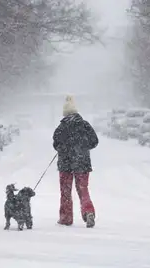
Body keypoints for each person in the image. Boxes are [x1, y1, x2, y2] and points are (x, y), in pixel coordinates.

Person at [53, 96, 99, 228]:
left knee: (66, 192)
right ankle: (88, 211)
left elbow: (56, 144)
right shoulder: (84, 125)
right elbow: (94, 141)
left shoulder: (61, 127)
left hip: (65, 164)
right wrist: (82, 147)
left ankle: (66, 218)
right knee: (83, 190)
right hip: (82, 163)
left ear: (65, 113)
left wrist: (64, 148)